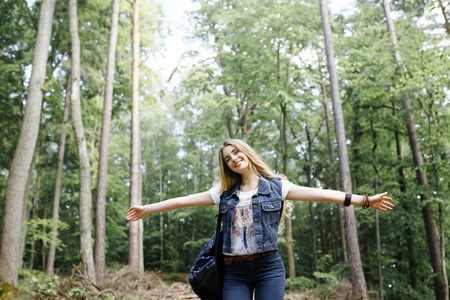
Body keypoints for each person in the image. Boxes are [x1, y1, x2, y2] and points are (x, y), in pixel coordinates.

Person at [126, 139, 394, 300]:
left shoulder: (278, 187)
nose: (233, 160)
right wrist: (146, 209)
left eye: (236, 153)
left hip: (269, 268)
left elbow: (323, 195)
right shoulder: (223, 194)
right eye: (228, 159)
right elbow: (182, 201)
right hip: (234, 272)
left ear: (246, 152)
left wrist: (365, 200)